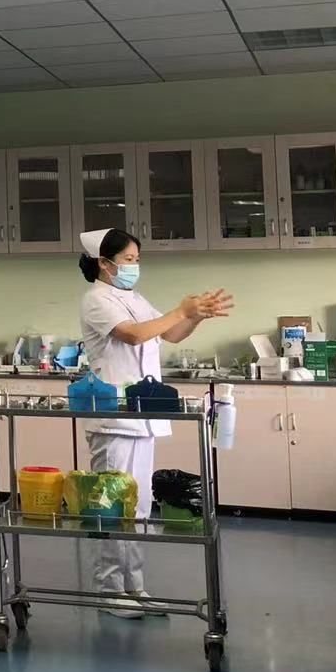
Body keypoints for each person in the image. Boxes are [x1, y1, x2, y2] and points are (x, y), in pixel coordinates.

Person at [78, 227, 232, 617]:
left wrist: (195, 317)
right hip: (114, 420)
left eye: (137, 259)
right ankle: (109, 590)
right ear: (104, 263)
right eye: (128, 259)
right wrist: (180, 310)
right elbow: (132, 336)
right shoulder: (96, 300)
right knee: (113, 507)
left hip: (141, 416)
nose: (135, 266)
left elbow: (171, 333)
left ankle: (135, 586)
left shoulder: (134, 298)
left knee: (140, 507)